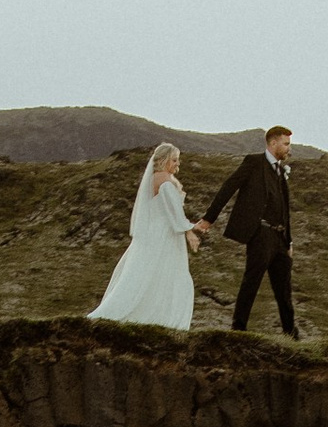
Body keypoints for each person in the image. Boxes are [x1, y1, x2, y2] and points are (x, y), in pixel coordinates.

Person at [88, 142, 204, 330]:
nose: (177, 163)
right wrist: (190, 231)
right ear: (164, 160)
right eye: (174, 160)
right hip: (164, 235)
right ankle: (162, 319)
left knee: (148, 273)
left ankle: (147, 316)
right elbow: (174, 213)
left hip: (155, 233)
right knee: (170, 275)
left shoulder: (154, 178)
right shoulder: (165, 181)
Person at [201, 126, 298, 336]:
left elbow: (284, 208)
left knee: (284, 290)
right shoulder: (254, 163)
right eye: (286, 144)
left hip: (279, 238)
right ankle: (238, 329)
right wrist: (209, 219)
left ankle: (291, 335)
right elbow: (229, 187)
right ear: (273, 143)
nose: (289, 148)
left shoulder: (281, 171)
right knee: (251, 281)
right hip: (260, 233)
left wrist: (288, 241)